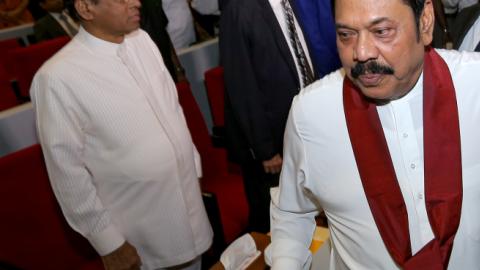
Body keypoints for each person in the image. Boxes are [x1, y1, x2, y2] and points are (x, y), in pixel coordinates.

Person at [269, 0, 480, 269]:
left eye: (381, 32)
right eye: (346, 34)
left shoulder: (474, 84)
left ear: (425, 21)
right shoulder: (310, 114)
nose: (361, 52)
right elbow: (290, 212)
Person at [30, 0, 213, 268]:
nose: (136, 1)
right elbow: (67, 174)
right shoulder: (56, 77)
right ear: (85, 8)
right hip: (140, 231)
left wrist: (193, 169)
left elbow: (173, 110)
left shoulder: (143, 41)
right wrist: (108, 242)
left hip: (187, 202)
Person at [220, 0, 317, 233]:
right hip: (272, 145)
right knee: (275, 223)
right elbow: (241, 86)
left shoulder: (290, 4)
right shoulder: (239, 9)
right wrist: (265, 149)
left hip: (302, 126)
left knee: (306, 214)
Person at [140, 0, 187, 82]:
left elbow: (164, 33)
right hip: (149, 75)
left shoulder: (152, 2)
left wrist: (178, 69)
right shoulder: (123, 10)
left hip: (168, 67)